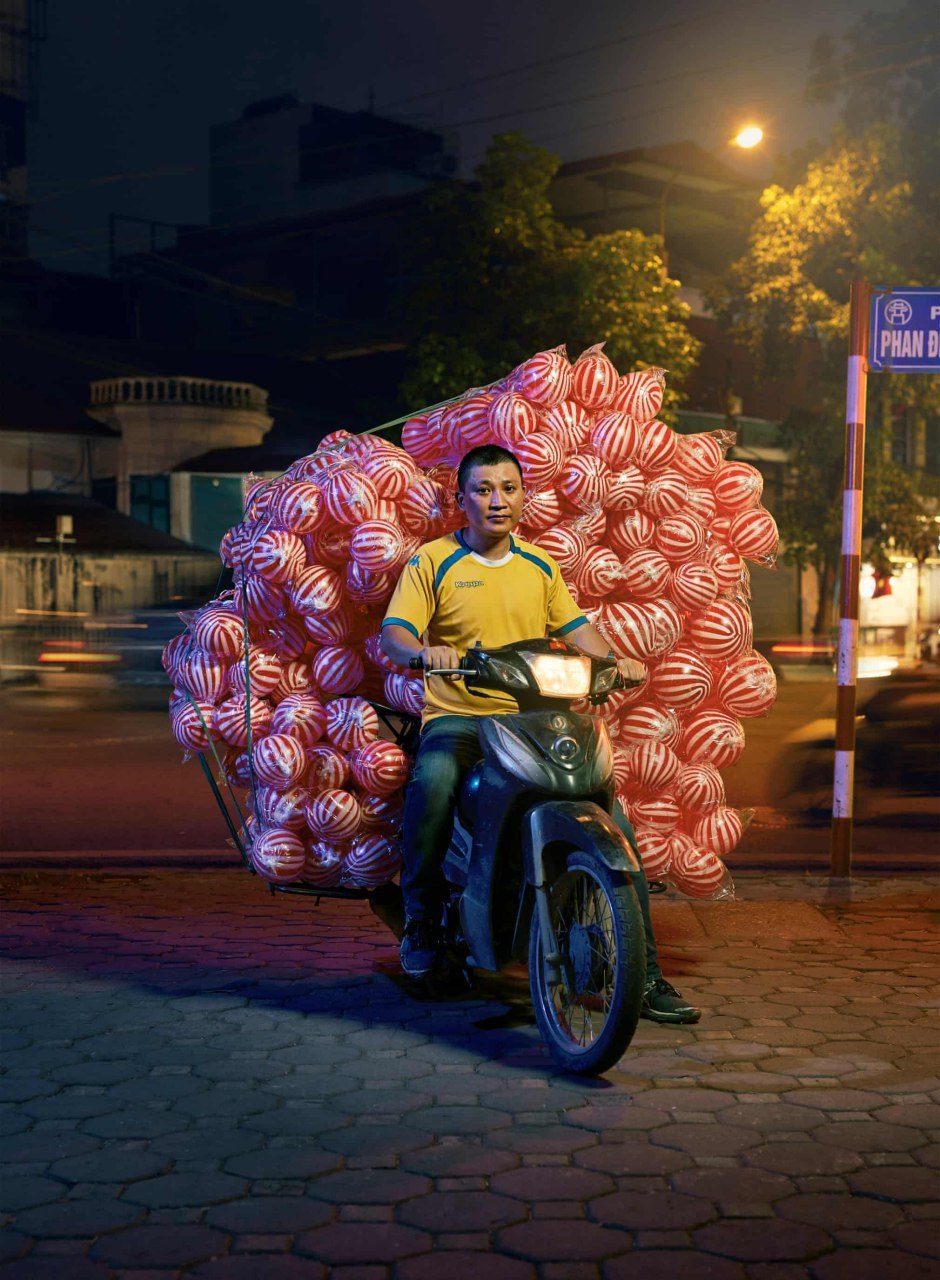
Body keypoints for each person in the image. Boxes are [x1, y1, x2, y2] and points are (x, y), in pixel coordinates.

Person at [380, 444, 700, 1025]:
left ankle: (645, 973)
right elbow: (395, 634)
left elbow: (578, 629)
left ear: (524, 497)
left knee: (611, 814)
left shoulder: (540, 566)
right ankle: (421, 922)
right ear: (462, 499)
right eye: (482, 489)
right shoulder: (432, 562)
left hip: (530, 717)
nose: (496, 500)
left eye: (508, 487)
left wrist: (615, 661)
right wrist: (423, 653)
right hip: (461, 719)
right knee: (434, 780)